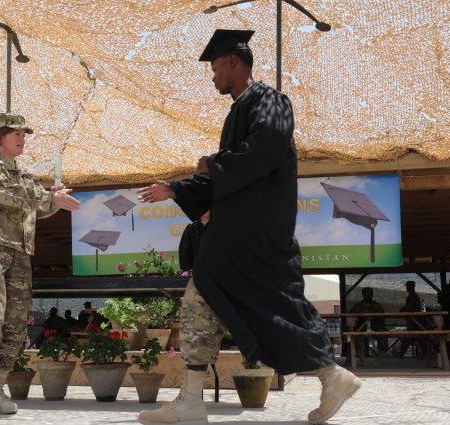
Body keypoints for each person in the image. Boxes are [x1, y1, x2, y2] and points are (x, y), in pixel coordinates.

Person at [135, 29, 360, 425]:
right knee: (202, 300)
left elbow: (266, 149)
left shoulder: (268, 100)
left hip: (257, 235)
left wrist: (215, 164)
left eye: (216, 67)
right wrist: (174, 189)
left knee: (274, 307)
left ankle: (331, 375)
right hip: (236, 236)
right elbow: (231, 174)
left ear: (234, 63)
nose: (213, 76)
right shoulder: (239, 109)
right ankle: (191, 400)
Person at [0, 112, 80, 415]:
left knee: (15, 326)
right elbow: (7, 195)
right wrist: (47, 197)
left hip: (19, 255)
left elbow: (36, 209)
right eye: (16, 133)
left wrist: (53, 199)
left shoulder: (25, 175)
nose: (22, 138)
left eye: (24, 134)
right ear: (0, 135)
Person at [349, 287, 388, 364]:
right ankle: (362, 361)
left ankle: (379, 360)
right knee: (357, 339)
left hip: (375, 327)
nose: (367, 295)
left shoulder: (377, 306)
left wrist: (375, 323)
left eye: (369, 293)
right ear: (362, 294)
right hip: (361, 327)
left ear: (372, 294)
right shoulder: (358, 306)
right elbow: (350, 314)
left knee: (383, 338)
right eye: (366, 293)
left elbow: (382, 318)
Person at [393, 281, 427, 359]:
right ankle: (402, 352)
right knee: (412, 337)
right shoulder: (411, 296)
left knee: (417, 337)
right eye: (407, 286)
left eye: (408, 286)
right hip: (414, 320)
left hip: (416, 321)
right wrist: (401, 311)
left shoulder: (413, 296)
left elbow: (409, 307)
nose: (407, 288)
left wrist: (400, 312)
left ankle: (402, 352)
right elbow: (407, 306)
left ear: (412, 287)